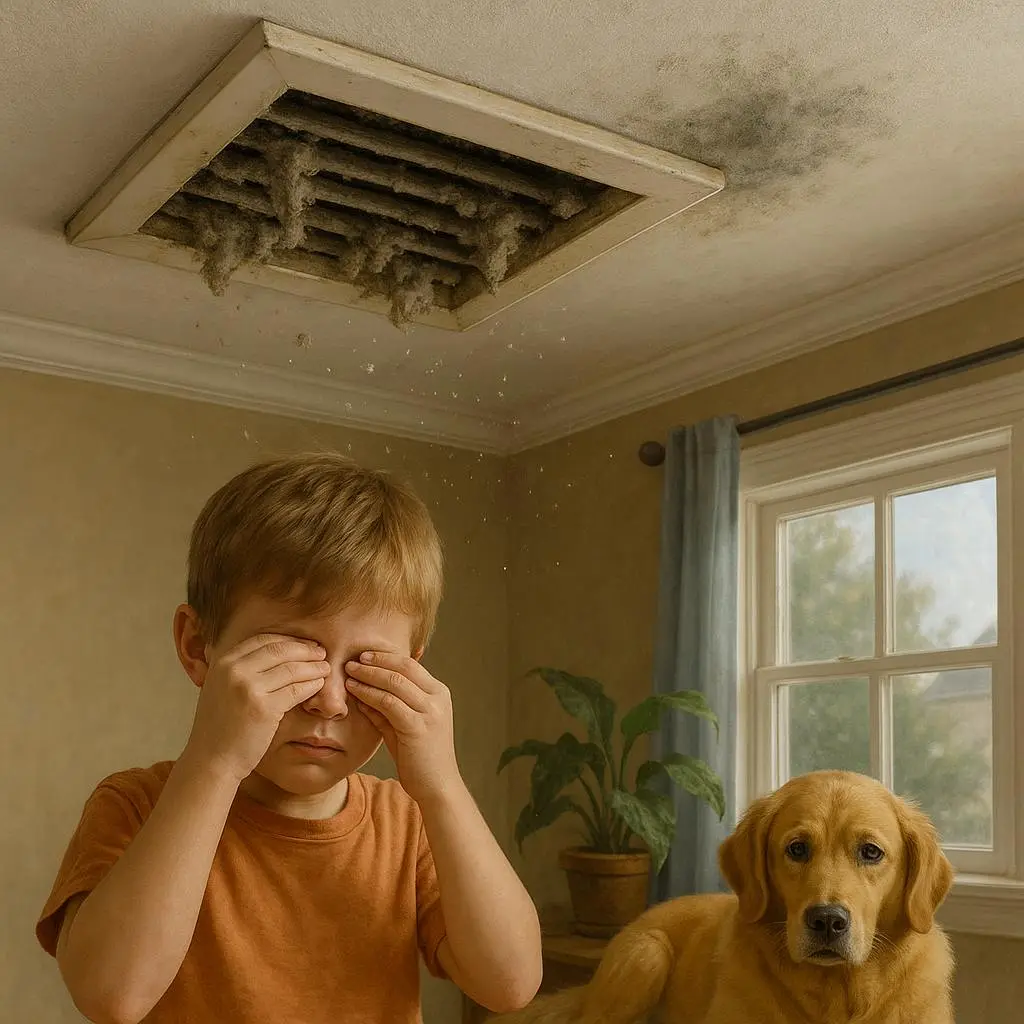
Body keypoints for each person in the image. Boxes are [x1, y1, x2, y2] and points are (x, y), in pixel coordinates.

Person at [35, 451, 542, 1024]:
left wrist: (442, 787)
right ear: (199, 646)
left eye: (366, 667)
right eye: (291, 657)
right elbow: (113, 997)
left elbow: (511, 983)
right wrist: (215, 763)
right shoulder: (133, 806)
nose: (328, 700)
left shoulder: (408, 822)